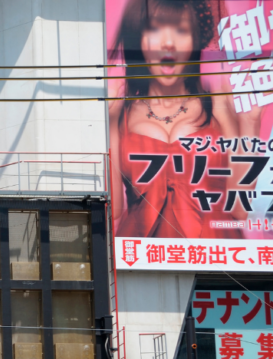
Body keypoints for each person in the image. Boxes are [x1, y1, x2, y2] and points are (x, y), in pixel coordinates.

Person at [108, 0, 262, 239]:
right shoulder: (122, 113)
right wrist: (108, 123)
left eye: (181, 30)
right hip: (142, 257)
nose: (168, 43)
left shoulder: (215, 104)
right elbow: (115, 210)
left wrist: (251, 123)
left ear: (195, 41)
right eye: (154, 29)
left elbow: (240, 210)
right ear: (137, 37)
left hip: (216, 256)